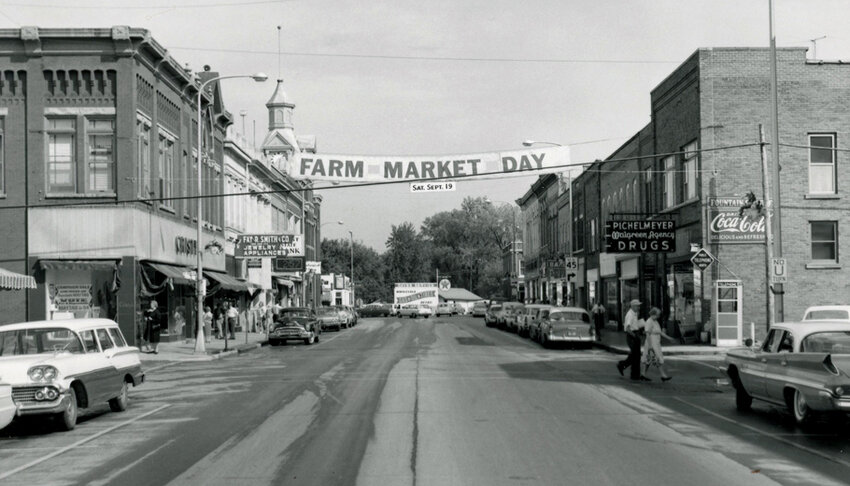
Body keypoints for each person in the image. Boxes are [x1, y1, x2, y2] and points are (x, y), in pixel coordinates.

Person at [617, 299, 649, 381]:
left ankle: (627, 369)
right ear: (633, 306)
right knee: (635, 356)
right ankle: (633, 374)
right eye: (637, 306)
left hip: (635, 333)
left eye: (639, 306)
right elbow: (627, 328)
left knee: (635, 355)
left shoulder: (634, 314)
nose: (639, 307)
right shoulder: (630, 315)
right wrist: (635, 336)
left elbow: (635, 324)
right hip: (632, 336)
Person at [642, 307, 674, 382]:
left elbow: (660, 332)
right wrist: (650, 346)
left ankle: (643, 374)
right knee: (656, 358)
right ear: (653, 314)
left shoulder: (655, 321)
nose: (658, 317)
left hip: (656, 342)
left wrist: (669, 338)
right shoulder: (649, 322)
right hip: (651, 343)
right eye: (657, 315)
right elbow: (647, 334)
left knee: (649, 359)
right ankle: (663, 375)